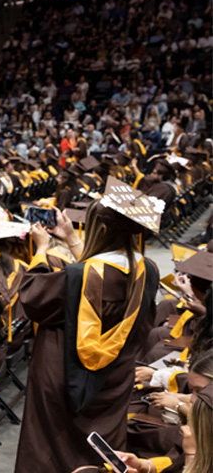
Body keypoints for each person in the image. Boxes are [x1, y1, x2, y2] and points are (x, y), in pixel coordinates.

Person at [15, 189, 161, 473]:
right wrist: (71, 238)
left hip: (61, 377)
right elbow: (100, 278)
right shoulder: (148, 270)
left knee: (50, 452)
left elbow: (33, 296)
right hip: (115, 377)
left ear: (102, 228)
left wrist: (42, 249)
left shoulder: (78, 277)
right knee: (99, 451)